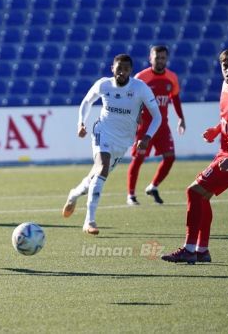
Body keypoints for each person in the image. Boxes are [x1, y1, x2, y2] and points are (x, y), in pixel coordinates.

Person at [61, 54, 162, 235]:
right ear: (112, 68)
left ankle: (74, 193)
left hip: (123, 142)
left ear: (131, 71)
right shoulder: (104, 84)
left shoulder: (140, 88)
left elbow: (157, 116)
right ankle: (89, 221)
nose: (122, 72)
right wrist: (81, 123)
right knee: (101, 168)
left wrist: (147, 137)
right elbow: (87, 102)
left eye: (126, 69)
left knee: (95, 178)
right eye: (118, 68)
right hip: (102, 132)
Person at [161, 48, 228, 264]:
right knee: (202, 196)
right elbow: (227, 121)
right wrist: (216, 130)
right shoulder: (225, 86)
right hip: (224, 152)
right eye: (225, 66)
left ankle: (189, 249)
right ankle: (202, 250)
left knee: (193, 192)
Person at [126, 46, 186, 205]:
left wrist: (181, 118)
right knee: (138, 159)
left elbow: (175, 97)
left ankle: (153, 186)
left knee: (170, 158)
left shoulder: (172, 77)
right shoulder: (141, 77)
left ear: (166, 59)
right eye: (157, 57)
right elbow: (132, 100)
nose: (160, 60)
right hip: (144, 126)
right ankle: (130, 195)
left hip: (162, 125)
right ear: (150, 58)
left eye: (162, 58)